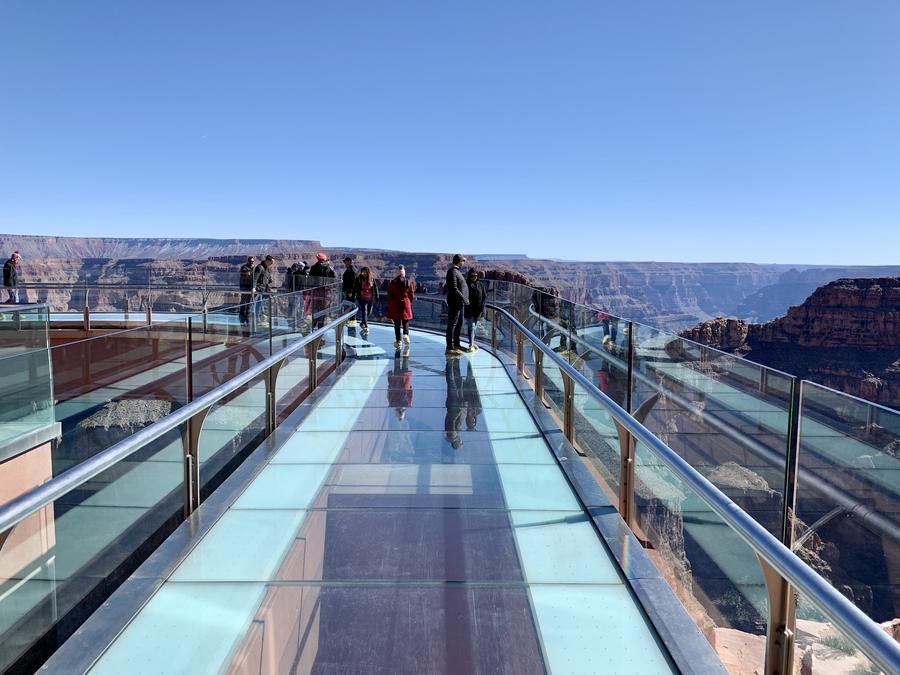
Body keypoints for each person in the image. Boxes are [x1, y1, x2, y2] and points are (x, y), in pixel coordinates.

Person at [444, 253, 469, 355]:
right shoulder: (452, 272)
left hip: (460, 303)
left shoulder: (457, 271)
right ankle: (449, 348)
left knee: (459, 323)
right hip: (455, 302)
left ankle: (456, 344)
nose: (464, 263)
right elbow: (454, 288)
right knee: (452, 325)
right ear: (459, 261)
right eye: (463, 261)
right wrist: (464, 298)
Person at [386, 264, 414, 350]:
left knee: (397, 323)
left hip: (396, 303)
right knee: (405, 321)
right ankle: (406, 334)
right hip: (405, 302)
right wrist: (409, 302)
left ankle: (398, 341)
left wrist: (390, 303)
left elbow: (390, 294)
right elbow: (411, 294)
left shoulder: (393, 283)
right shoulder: (409, 282)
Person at [309, 252, 336, 329]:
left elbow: (310, 279)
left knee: (315, 309)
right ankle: (321, 327)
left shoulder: (314, 267)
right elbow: (334, 277)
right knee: (323, 310)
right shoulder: (329, 268)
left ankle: (313, 326)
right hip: (326, 292)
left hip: (316, 291)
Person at [464, 268, 484, 352]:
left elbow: (484, 296)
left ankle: (471, 342)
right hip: (469, 310)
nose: (474, 277)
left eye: (475, 275)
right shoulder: (466, 285)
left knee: (473, 327)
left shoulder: (481, 285)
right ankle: (471, 344)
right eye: (472, 276)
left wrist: (482, 306)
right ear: (469, 276)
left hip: (478, 310)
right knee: (472, 327)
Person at [353, 266, 379, 335]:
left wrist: (377, 296)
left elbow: (375, 288)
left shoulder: (371, 279)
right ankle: (365, 325)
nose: (363, 273)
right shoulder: (359, 279)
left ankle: (362, 322)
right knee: (364, 311)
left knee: (369, 311)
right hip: (361, 298)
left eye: (365, 272)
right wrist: (354, 294)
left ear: (368, 272)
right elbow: (355, 287)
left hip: (370, 298)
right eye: (362, 272)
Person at [387, 355, 413, 421]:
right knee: (399, 364)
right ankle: (400, 348)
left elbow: (410, 393)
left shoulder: (407, 404)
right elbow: (389, 391)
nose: (400, 413)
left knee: (403, 363)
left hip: (401, 380)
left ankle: (401, 348)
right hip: (399, 380)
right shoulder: (393, 403)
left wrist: (409, 387)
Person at [252, 255, 276, 325]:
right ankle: (256, 318)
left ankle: (262, 317)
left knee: (263, 304)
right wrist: (253, 288)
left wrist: (269, 287)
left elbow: (268, 279)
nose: (271, 264)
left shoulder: (267, 269)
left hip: (265, 289)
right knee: (258, 304)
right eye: (271, 262)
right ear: (267, 261)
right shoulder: (260, 267)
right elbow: (255, 278)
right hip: (259, 289)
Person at [342, 256, 357, 325]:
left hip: (351, 291)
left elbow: (353, 282)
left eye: (347, 262)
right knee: (348, 305)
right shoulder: (348, 269)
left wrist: (351, 291)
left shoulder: (352, 270)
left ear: (350, 262)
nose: (345, 263)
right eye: (345, 262)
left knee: (351, 305)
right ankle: (349, 318)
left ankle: (352, 319)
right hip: (347, 291)